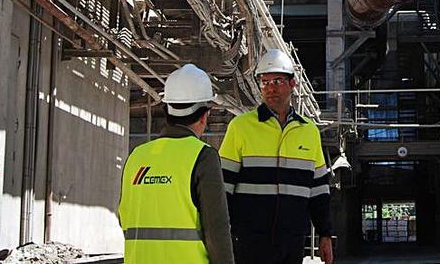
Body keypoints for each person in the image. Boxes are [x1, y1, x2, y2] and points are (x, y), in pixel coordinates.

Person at [220, 48, 333, 264]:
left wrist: (324, 234)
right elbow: (223, 188)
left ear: (292, 84)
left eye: (278, 81)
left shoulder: (309, 132)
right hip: (249, 242)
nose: (270, 88)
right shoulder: (240, 127)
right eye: (265, 82)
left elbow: (319, 191)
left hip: (292, 241)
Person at [119, 64, 234, 264]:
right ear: (205, 115)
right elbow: (217, 230)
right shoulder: (203, 156)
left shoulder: (137, 156)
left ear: (167, 110)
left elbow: (124, 218)